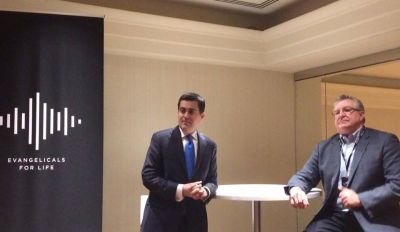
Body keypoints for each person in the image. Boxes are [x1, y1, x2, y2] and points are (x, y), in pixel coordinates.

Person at [285, 94, 400, 232]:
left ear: (361, 115)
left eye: (347, 110)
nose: (341, 114)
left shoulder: (385, 141)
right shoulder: (324, 147)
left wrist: (360, 199)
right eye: (337, 112)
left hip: (375, 217)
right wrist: (296, 189)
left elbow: (396, 185)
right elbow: (304, 176)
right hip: (335, 216)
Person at [141, 92, 217, 232]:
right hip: (161, 221)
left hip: (194, 222)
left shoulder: (209, 146)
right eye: (182, 110)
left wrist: (206, 191)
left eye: (191, 111)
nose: (185, 115)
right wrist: (181, 190)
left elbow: (212, 181)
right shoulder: (160, 139)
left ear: (202, 116)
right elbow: (148, 176)